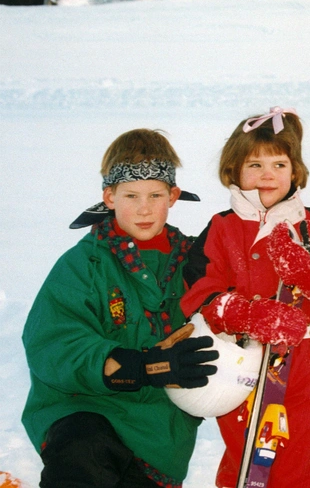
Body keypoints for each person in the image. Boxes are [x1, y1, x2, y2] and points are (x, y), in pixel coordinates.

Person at [22, 129, 219, 488]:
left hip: (160, 436)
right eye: (131, 195)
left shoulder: (196, 262)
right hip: (86, 414)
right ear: (109, 197)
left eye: (155, 195)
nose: (144, 208)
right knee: (85, 452)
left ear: (173, 196)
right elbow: (52, 344)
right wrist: (142, 365)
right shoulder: (84, 265)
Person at [181, 107, 310, 488]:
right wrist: (245, 314)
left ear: (295, 171)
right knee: (244, 455)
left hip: (306, 362)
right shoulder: (222, 228)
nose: (267, 174)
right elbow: (199, 291)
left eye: (279, 164)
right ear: (235, 170)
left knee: (298, 456)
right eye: (255, 164)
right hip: (241, 363)